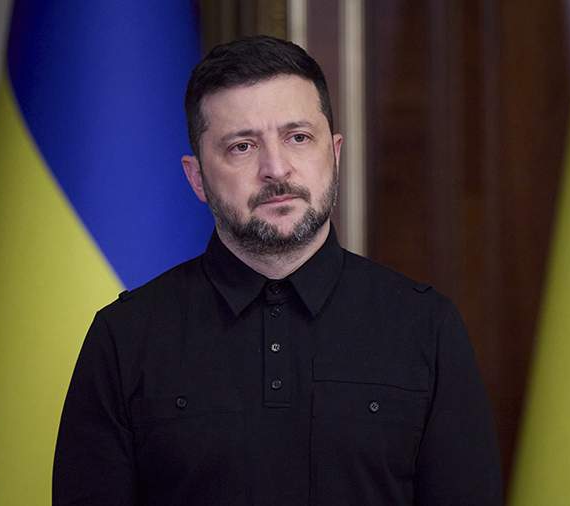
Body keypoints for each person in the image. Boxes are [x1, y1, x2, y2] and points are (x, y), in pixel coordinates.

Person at [53, 35, 501, 506]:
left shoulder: (426, 328)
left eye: (298, 137)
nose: (276, 168)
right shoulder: (124, 337)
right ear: (197, 177)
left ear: (335, 153)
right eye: (242, 146)